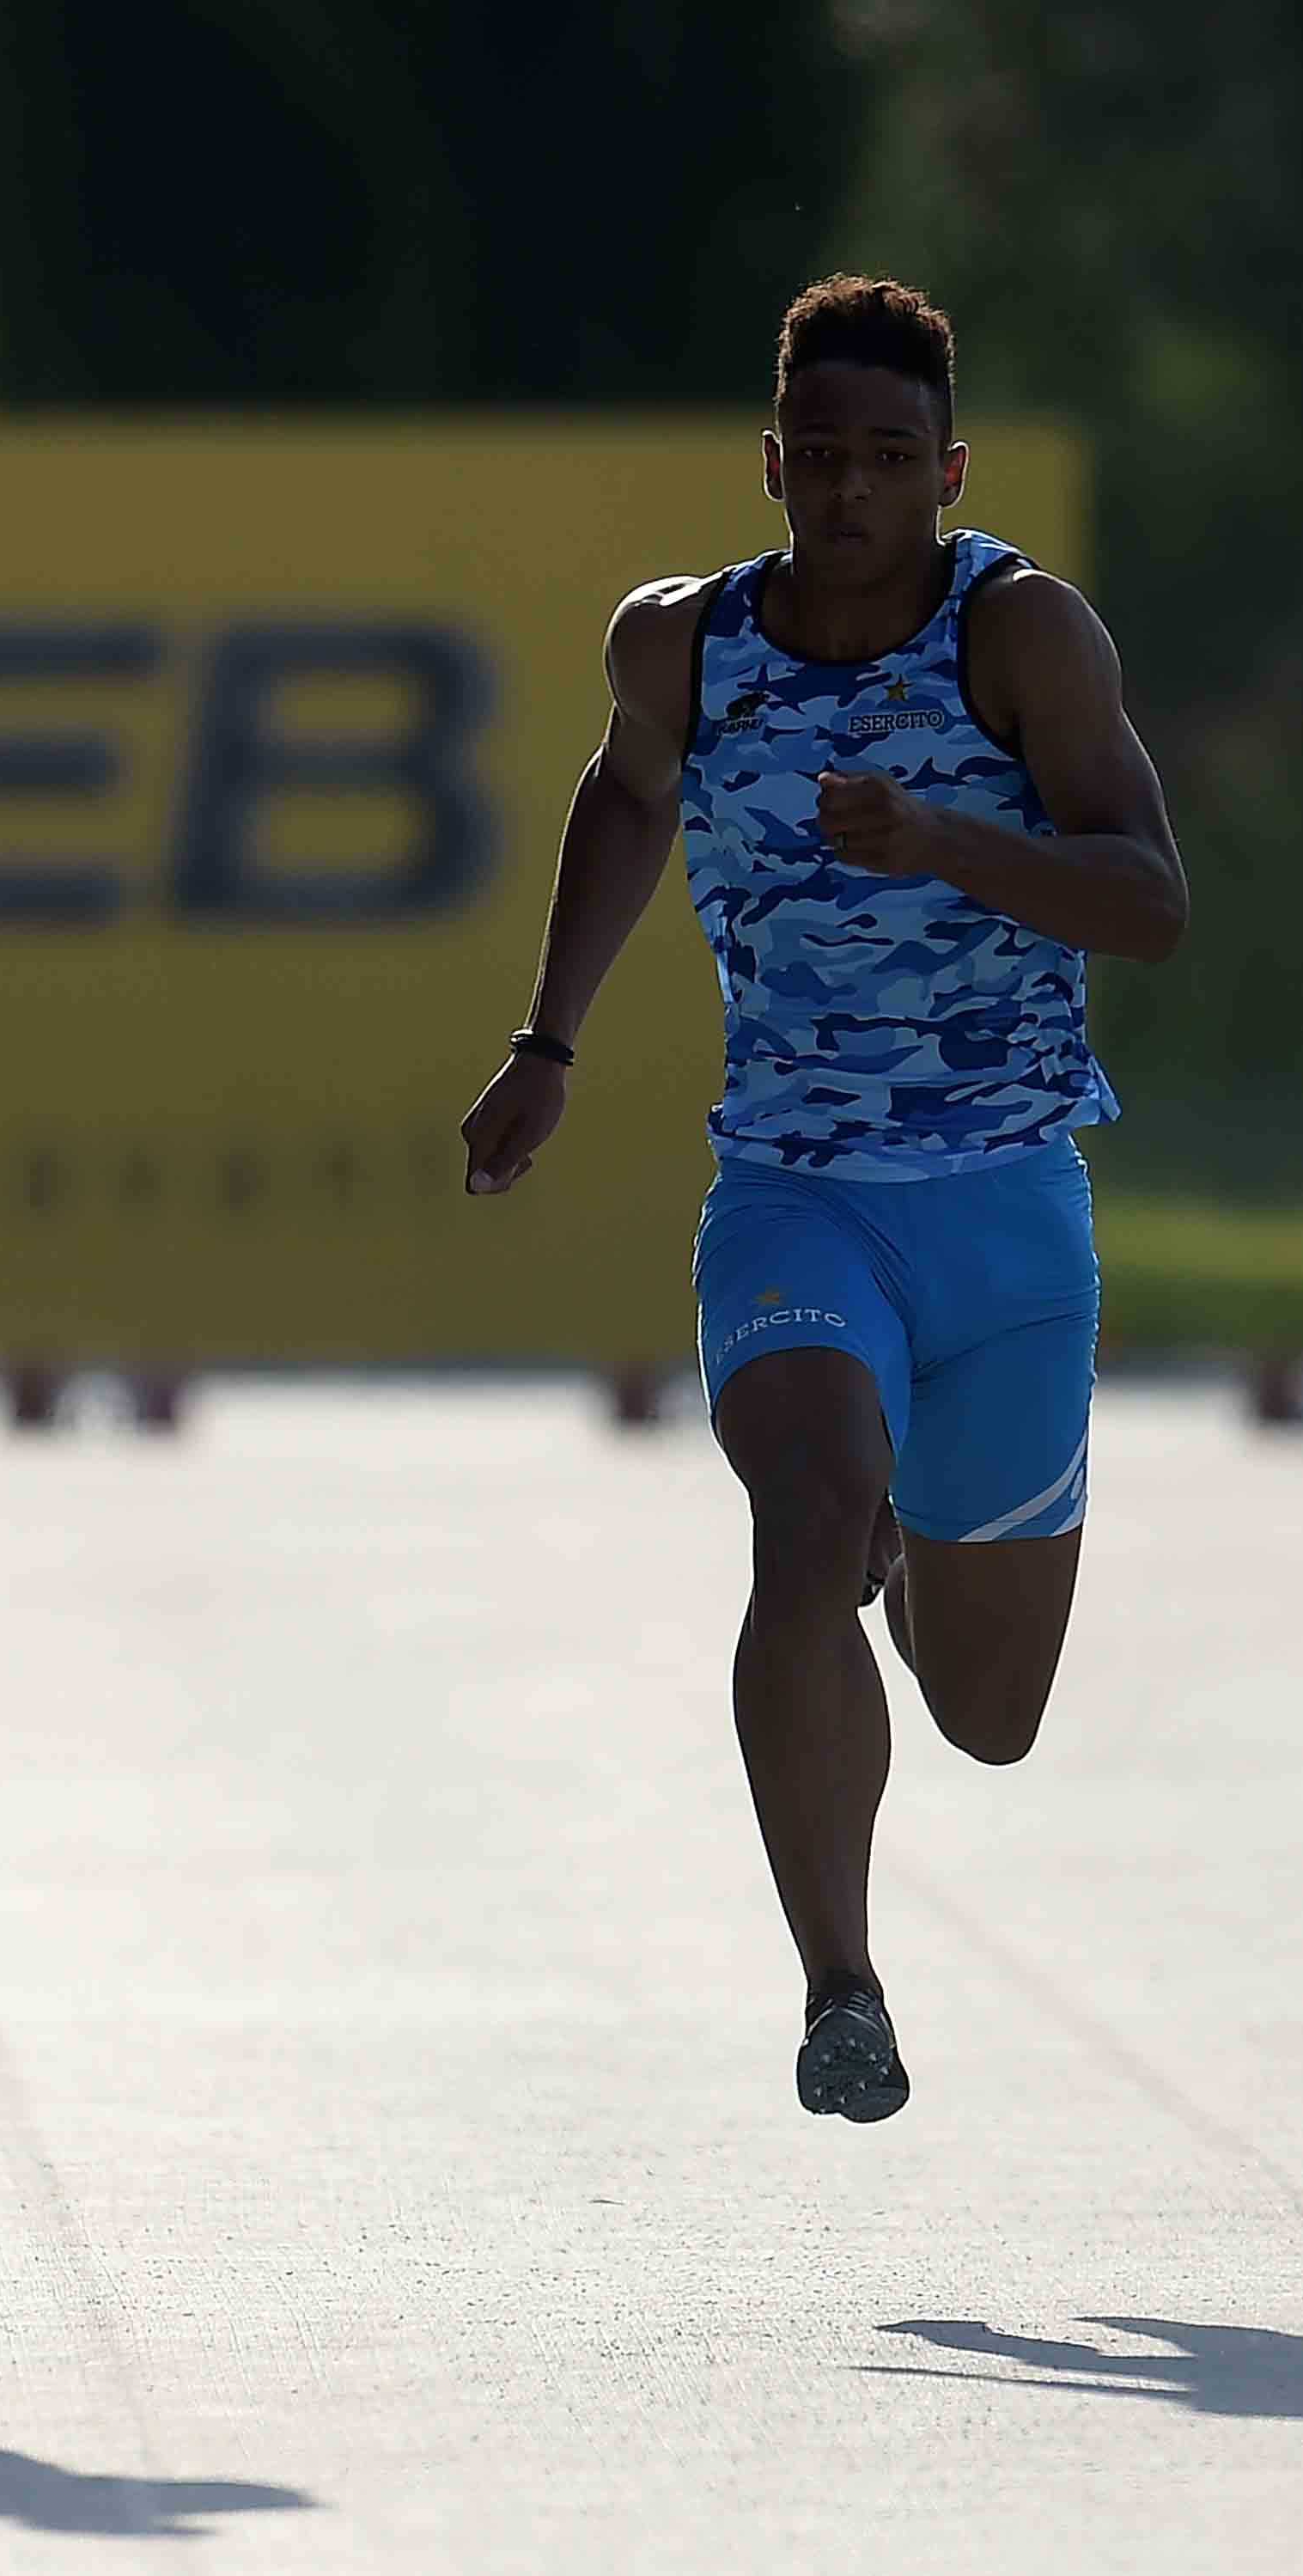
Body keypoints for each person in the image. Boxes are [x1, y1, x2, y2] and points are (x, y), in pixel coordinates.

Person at [458, 277, 1188, 2121]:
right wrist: (547, 1042)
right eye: (822, 457)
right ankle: (840, 1986)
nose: (854, 491)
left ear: (948, 472)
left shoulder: (1019, 635)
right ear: (770, 464)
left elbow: (1149, 900)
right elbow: (628, 801)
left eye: (891, 459)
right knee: (800, 1524)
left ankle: (908, 1550)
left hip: (1004, 1204)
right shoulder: (684, 646)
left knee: (990, 1718)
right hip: (796, 1190)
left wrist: (945, 838)